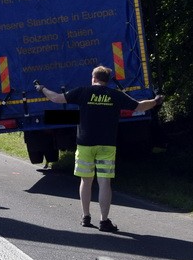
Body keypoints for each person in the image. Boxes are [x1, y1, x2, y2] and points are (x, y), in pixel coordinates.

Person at [36, 66, 163, 233]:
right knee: (104, 183)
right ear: (106, 80)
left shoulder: (83, 92)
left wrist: (42, 88)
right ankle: (104, 221)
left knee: (85, 181)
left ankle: (86, 217)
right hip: (106, 145)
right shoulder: (115, 95)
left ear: (94, 78)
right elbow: (139, 106)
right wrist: (155, 101)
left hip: (85, 144)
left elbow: (57, 99)